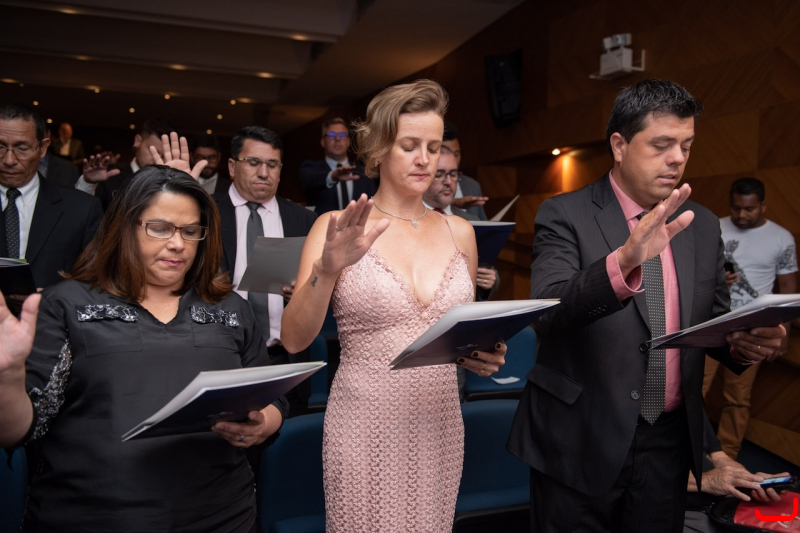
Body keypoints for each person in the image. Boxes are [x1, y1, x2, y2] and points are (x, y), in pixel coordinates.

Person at [506, 79, 786, 533]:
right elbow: (549, 311)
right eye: (661, 145)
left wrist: (746, 342)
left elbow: (713, 322)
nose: (677, 158)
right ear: (619, 145)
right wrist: (623, 263)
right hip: (581, 436)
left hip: (668, 441)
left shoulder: (701, 224)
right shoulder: (566, 213)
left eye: (686, 146)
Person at [0, 156, 287, 532]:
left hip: (222, 515)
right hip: (95, 517)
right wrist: (8, 376)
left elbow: (271, 397)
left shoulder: (230, 307)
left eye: (190, 231)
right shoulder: (67, 304)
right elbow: (19, 429)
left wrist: (263, 422)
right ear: (124, 227)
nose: (177, 244)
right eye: (160, 228)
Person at [281, 79, 506, 532]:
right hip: (364, 424)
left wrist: (483, 353)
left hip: (439, 422)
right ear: (379, 147)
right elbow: (294, 340)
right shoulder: (334, 225)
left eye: (434, 147)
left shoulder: (460, 233)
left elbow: (458, 332)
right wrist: (327, 269)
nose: (425, 159)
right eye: (409, 146)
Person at [215, 125, 316, 415]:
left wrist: (305, 291)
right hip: (224, 358)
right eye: (254, 162)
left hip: (285, 361)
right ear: (232, 166)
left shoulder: (302, 219)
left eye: (272, 165)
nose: (264, 173)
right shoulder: (207, 213)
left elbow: (322, 285)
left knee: (288, 438)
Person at [703, 177, 797, 459]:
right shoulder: (714, 227)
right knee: (692, 389)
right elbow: (693, 274)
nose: (741, 215)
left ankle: (727, 457)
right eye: (736, 208)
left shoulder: (781, 238)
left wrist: (784, 331)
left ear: (763, 205)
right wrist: (718, 280)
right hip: (711, 320)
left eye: (749, 209)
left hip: (752, 329)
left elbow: (789, 287)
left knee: (737, 398)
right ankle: (680, 450)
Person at [0, 103, 103, 288]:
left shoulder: (82, 210)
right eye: (0, 147)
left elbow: (99, 281)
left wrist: (52, 297)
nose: (9, 160)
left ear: (43, 148)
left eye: (22, 148)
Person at [683, 412, 787, 533]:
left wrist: (746, 479)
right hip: (682, 508)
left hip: (721, 501)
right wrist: (706, 480)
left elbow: (718, 456)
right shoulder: (662, 406)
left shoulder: (689, 405)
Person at [423, 149, 498, 300]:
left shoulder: (472, 221)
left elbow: (489, 268)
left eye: (453, 174)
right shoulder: (408, 218)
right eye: (439, 174)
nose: (448, 181)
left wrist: (490, 280)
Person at [76, 118, 176, 209]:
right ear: (138, 141)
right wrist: (88, 183)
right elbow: (80, 211)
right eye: (152, 151)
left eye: (163, 156)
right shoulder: (110, 179)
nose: (156, 160)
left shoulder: (168, 186)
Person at [298, 117, 377, 215]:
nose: (337, 139)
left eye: (342, 135)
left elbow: (372, 204)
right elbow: (308, 181)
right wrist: (332, 176)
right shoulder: (312, 168)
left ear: (348, 142)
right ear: (323, 142)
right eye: (331, 135)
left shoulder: (363, 173)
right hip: (324, 224)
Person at [442, 121, 488, 220]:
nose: (453, 159)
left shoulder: (472, 185)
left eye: (456, 154)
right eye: (447, 154)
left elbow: (482, 221)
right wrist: (455, 203)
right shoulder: (424, 182)